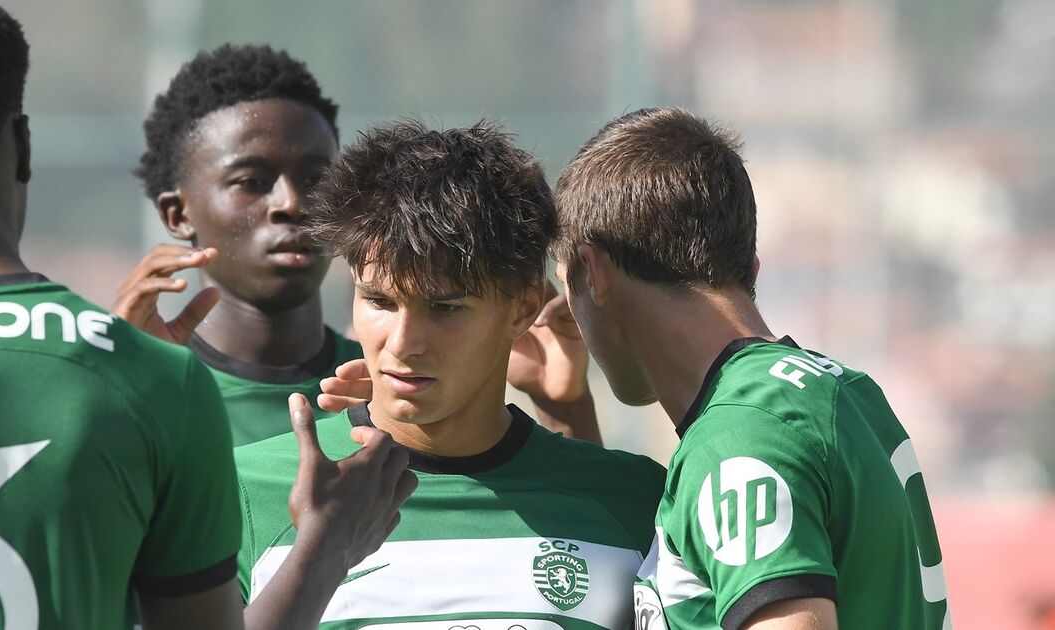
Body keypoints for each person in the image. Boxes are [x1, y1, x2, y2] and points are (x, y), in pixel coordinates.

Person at [0, 2, 410, 628]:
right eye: (251, 179)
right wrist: (327, 547)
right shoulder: (151, 380)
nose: (289, 204)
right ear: (24, 148)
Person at [234, 120, 664, 628]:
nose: (402, 344)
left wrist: (567, 409)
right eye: (378, 301)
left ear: (524, 307)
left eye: (445, 308)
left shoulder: (636, 500)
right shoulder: (244, 491)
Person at [551, 107, 950, 630]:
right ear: (748, 268)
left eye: (566, 285)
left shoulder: (738, 437)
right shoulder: (838, 391)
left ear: (594, 272)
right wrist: (567, 408)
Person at [116, 45, 602, 446]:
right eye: (252, 181)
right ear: (177, 215)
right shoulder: (135, 385)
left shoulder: (399, 379)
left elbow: (574, 516)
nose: (292, 203)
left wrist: (564, 407)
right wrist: (110, 395)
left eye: (316, 178)